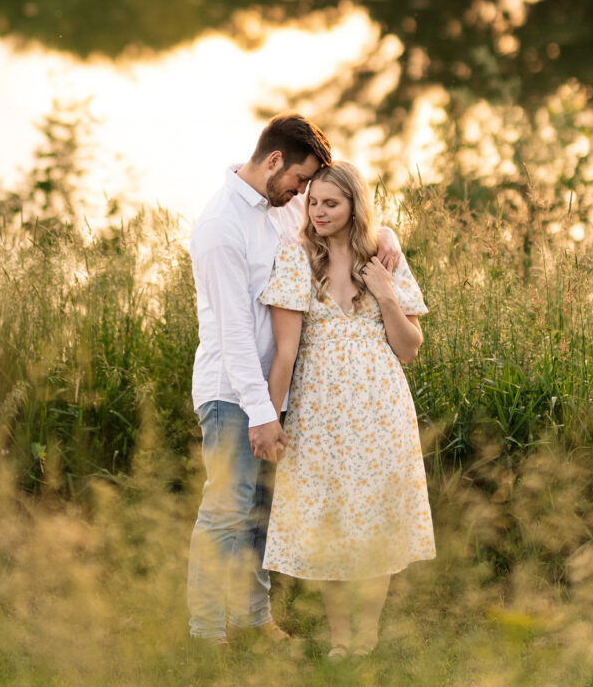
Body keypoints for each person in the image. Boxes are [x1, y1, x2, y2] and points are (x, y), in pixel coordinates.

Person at [186, 115, 403, 647]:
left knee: (259, 514)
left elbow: (334, 227)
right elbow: (236, 335)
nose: (303, 194)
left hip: (272, 395)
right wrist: (261, 414)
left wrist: (388, 233)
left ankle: (253, 622)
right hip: (233, 393)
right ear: (275, 161)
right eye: (300, 182)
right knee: (227, 510)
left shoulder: (278, 211)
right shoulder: (221, 227)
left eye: (309, 188)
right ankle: (207, 634)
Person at [259, 160, 435, 657]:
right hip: (321, 413)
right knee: (330, 522)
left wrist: (386, 297)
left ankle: (369, 634)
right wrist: (270, 417)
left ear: (355, 206)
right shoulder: (297, 259)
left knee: (374, 518)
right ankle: (341, 638)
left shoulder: (383, 261)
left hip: (381, 410)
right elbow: (285, 351)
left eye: (330, 203)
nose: (318, 212)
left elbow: (409, 348)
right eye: (313, 202)